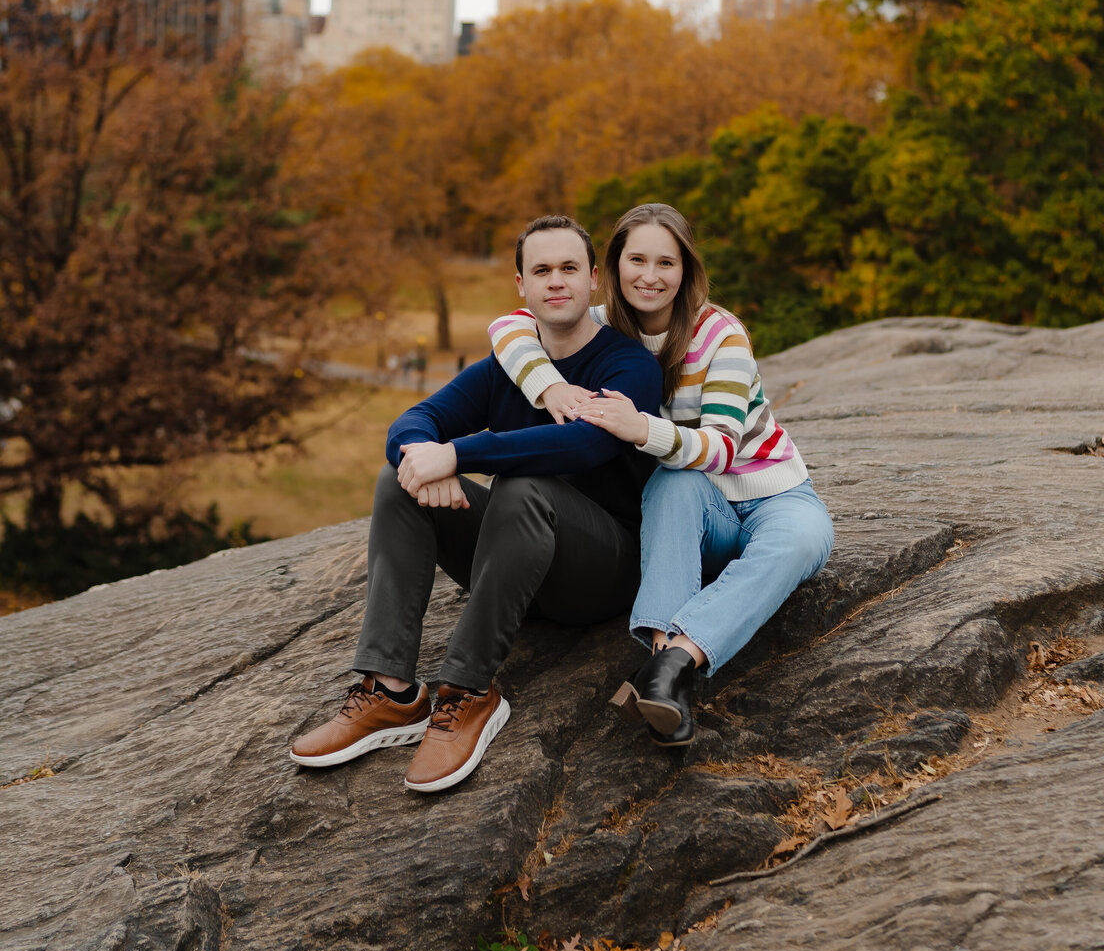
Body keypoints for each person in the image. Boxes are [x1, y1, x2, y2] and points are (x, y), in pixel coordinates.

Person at [290, 215, 662, 794]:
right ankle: (390, 692)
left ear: (594, 280)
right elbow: (414, 423)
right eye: (541, 270)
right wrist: (423, 456)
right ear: (521, 285)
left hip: (600, 572)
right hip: (515, 563)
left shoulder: (628, 364)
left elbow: (588, 442)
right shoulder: (505, 367)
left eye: (569, 269)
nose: (555, 282)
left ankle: (467, 693)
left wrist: (459, 455)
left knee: (522, 483)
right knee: (399, 479)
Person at [488, 203, 833, 746]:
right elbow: (508, 325)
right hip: (691, 502)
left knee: (807, 538)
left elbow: (720, 449)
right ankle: (661, 670)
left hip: (769, 491)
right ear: (614, 267)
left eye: (666, 263)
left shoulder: (721, 334)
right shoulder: (599, 324)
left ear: (686, 270)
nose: (650, 276)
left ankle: (669, 667)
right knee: (671, 485)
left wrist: (638, 427)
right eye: (637, 260)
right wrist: (549, 388)